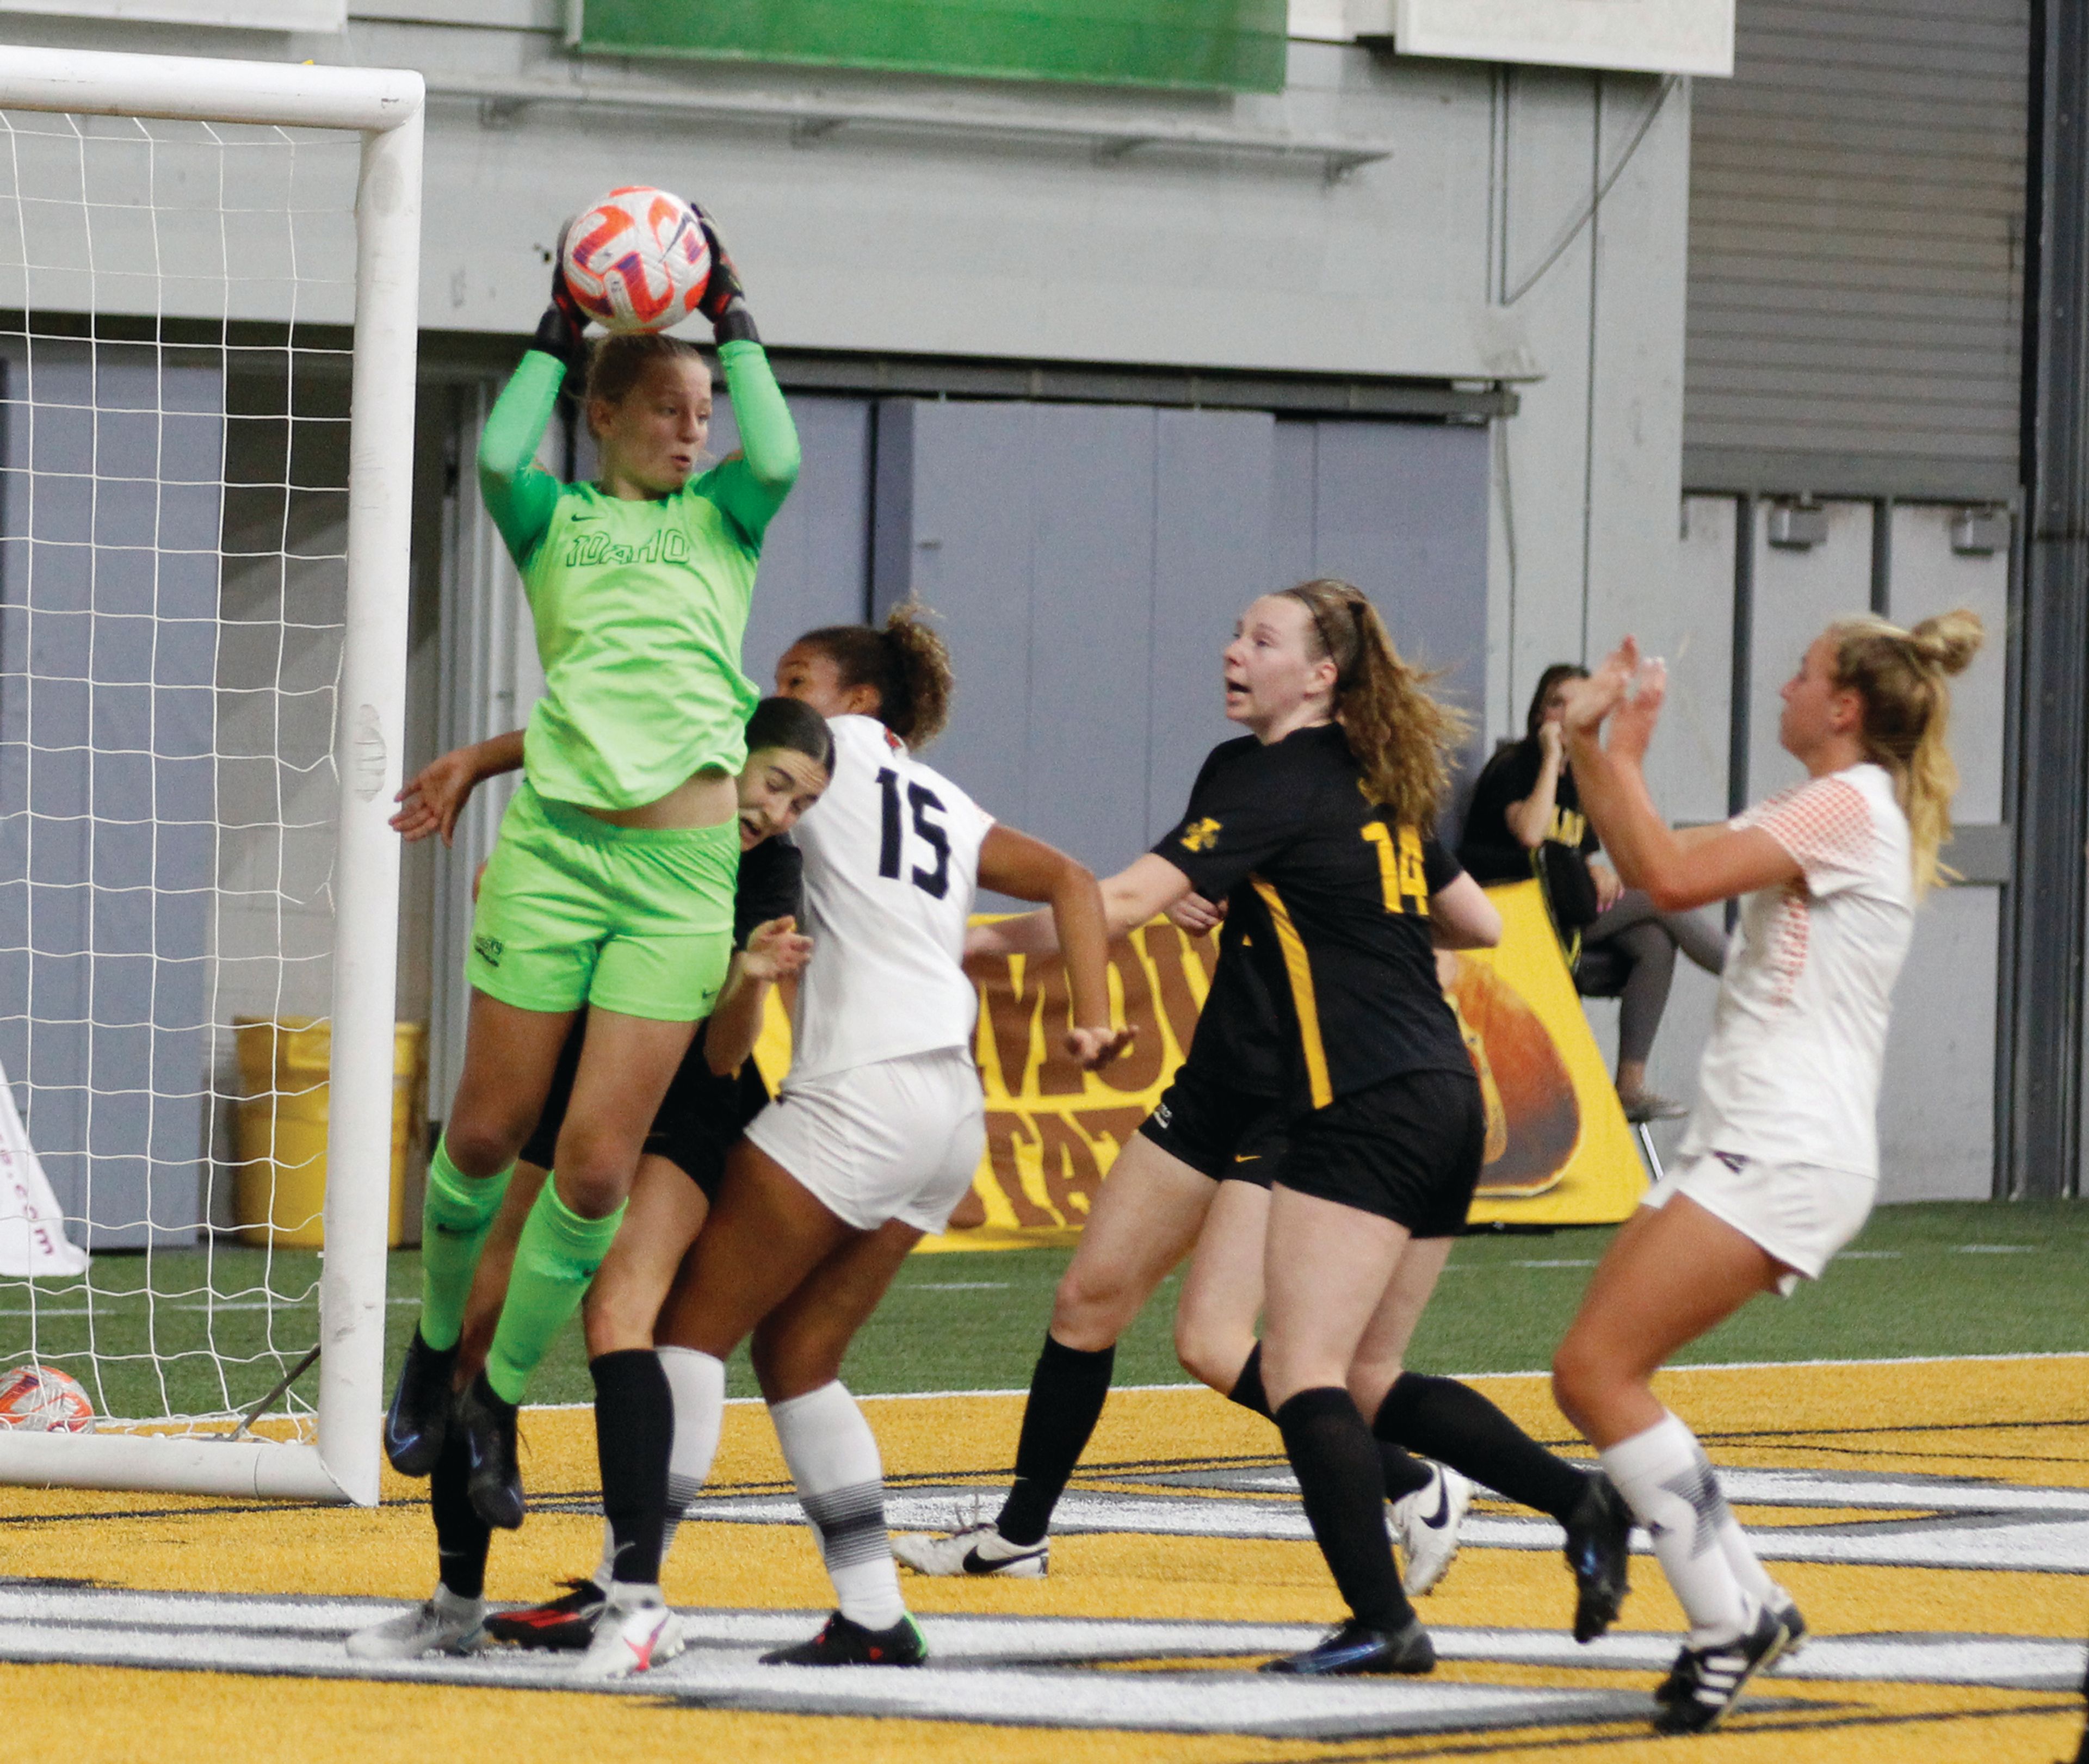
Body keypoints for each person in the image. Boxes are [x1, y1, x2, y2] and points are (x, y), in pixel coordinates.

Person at [902, 580, 1633, 1673]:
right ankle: (1021, 1534)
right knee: (1116, 1308)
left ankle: (1408, 1562)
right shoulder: (1331, 776)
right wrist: (1271, 889)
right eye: (1235, 631)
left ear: (1322, 674)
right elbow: (1476, 921)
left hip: (1326, 1095)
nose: (1232, 649)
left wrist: (951, 936)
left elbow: (1114, 903)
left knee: (1283, 1361)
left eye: (1261, 637)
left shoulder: (1282, 777)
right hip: (1269, 1078)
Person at [531, 606, 1129, 1678]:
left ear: (857, 699)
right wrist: (1093, 1013)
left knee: (682, 1324)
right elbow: (1075, 882)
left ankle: (631, 1593)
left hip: (862, 1089)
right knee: (799, 1356)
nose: (776, 697)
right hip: (950, 1106)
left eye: (796, 677)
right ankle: (874, 1613)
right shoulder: (942, 795)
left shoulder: (818, 759)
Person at [382, 214, 801, 1537]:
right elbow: (500, 449)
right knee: (483, 1139)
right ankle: (433, 1349)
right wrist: (557, 330)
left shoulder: (723, 520)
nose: (695, 431)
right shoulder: (551, 518)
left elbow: (778, 453)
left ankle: (497, 1399)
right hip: (557, 856)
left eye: (704, 412)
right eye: (669, 409)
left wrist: (733, 322)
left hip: (680, 879)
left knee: (596, 1170)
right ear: (603, 414)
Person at [1549, 611, 1982, 1734]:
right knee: (1596, 1374)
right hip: (1756, 1138)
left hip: (1787, 1144)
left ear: (1844, 707)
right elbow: (1636, 863)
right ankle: (1751, 1603)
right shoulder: (1833, 802)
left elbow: (1666, 874)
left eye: (1803, 673)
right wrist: (1595, 744)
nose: (1784, 686)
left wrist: (1620, 747)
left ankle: (1725, 1619)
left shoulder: (1850, 802)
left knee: (1597, 1371)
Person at [349, 697, 833, 1662]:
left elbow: (725, 1057)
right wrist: (476, 770)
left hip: (684, 1107)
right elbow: (569, 733)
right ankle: (455, 1600)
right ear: (723, 756)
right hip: (577, 1081)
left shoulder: (771, 867)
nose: (779, 813)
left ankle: (637, 1602)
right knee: (475, 1323)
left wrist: (747, 976)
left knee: (619, 1313)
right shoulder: (632, 783)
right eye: (776, 783)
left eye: (802, 803)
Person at [1461, 664, 1725, 1121]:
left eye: (1576, 704)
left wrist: (1595, 869)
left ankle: (1629, 1086)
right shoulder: (1515, 766)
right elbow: (1531, 832)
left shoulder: (1583, 780)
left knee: (1654, 941)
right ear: (1539, 714)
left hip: (1563, 914)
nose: (1565, 714)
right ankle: (1745, 971)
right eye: (1555, 703)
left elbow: (1568, 856)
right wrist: (1550, 758)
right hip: (1514, 921)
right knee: (1659, 894)